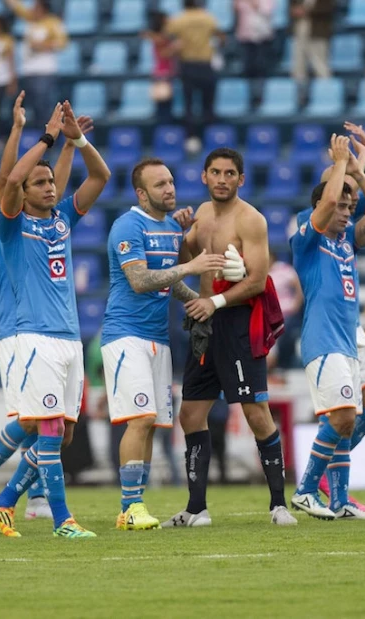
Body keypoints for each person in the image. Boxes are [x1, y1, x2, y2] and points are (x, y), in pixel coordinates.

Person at [0, 101, 111, 539]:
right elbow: (11, 179)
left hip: (69, 337)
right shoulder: (9, 227)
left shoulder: (62, 221)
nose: (50, 186)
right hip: (33, 336)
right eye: (42, 182)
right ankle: (63, 520)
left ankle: (3, 501)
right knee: (50, 429)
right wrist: (46, 137)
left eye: (52, 180)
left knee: (63, 435)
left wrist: (78, 140)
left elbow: (100, 178)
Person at [0, 92, 81, 523]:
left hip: (48, 327)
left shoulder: (38, 211)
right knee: (37, 421)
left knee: (54, 429)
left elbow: (51, 186)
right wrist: (37, 134)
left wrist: (68, 142)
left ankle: (22, 494)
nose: (48, 188)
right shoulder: (0, 220)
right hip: (18, 328)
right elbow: (10, 179)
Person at [163, 147, 297, 527]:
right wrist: (180, 233)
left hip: (236, 322)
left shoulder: (251, 220)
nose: (222, 179)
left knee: (256, 413)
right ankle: (196, 509)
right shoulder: (201, 215)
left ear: (240, 179)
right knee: (191, 414)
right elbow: (184, 262)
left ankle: (278, 504)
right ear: (204, 176)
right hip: (206, 325)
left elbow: (257, 280)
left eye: (229, 173)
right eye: (215, 172)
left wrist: (215, 302)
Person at [102, 158, 228, 530]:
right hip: (125, 335)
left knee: (153, 424)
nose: (169, 189)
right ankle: (130, 506)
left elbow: (169, 283)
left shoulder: (173, 229)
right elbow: (140, 280)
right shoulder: (127, 225)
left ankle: (134, 506)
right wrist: (191, 268)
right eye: (159, 185)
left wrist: (201, 304)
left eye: (171, 181)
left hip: (158, 338)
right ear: (141, 193)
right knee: (139, 419)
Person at [288, 135, 365, 522]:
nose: (346, 211)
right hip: (324, 338)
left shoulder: (346, 241)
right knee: (341, 418)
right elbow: (327, 202)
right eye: (340, 205)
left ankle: (339, 499)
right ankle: (307, 489)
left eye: (349, 206)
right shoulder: (306, 236)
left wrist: (359, 167)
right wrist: (341, 163)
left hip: (351, 337)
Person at [165, 0, 225, 154]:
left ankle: (191, 139)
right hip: (206, 65)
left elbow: (167, 36)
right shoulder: (208, 18)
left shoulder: (179, 20)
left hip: (188, 65)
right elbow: (221, 37)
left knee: (189, 105)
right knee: (208, 104)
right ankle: (211, 138)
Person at [6, 0, 67, 125]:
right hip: (27, 70)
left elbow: (61, 43)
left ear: (43, 9)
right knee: (30, 106)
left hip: (43, 71)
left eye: (35, 7)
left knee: (42, 106)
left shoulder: (52, 23)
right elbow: (16, 7)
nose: (32, 9)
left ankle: (49, 135)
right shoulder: (30, 20)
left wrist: (41, 45)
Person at [142, 11, 175, 122]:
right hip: (162, 71)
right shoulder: (160, 38)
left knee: (166, 103)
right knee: (163, 103)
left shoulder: (163, 37)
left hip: (166, 70)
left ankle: (165, 127)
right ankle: (164, 128)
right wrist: (175, 48)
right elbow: (163, 54)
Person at [289, 0, 332, 86]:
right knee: (298, 64)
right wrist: (295, 10)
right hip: (300, 29)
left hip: (318, 32)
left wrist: (306, 11)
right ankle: (298, 92)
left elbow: (328, 8)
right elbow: (292, 6)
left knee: (319, 64)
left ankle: (325, 90)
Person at [235, 0, 274, 79]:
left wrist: (252, 2)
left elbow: (267, 11)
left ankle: (260, 87)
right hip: (246, 34)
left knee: (261, 66)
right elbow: (237, 8)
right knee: (248, 65)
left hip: (262, 34)